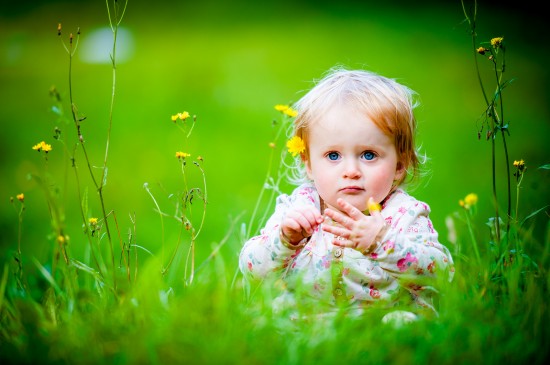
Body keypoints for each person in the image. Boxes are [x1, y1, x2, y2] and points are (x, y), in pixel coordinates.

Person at [239, 67, 454, 322]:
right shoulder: (298, 209)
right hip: (307, 324)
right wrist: (284, 240)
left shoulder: (402, 214)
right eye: (333, 156)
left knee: (400, 322)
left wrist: (384, 242)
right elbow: (252, 270)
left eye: (368, 155)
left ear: (399, 165)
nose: (351, 171)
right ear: (308, 163)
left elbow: (441, 275)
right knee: (264, 320)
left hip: (380, 321)